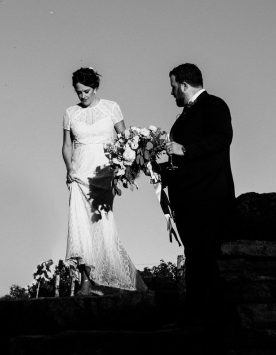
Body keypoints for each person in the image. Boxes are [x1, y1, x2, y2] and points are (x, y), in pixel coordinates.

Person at [159, 63, 236, 324]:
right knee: (194, 255)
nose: (171, 93)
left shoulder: (213, 105)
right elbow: (178, 157)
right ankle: (194, 314)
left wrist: (185, 150)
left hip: (209, 197)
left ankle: (209, 317)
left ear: (183, 85)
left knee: (208, 257)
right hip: (187, 199)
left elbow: (222, 138)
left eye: (173, 87)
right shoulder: (182, 118)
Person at [61, 67, 147, 295]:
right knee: (80, 227)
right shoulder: (70, 112)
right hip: (79, 175)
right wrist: (69, 169)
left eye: (87, 91)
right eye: (79, 92)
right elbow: (67, 145)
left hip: (104, 175)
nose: (83, 96)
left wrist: (124, 168)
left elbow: (126, 139)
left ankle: (112, 277)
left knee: (102, 224)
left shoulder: (112, 107)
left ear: (95, 88)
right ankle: (85, 282)